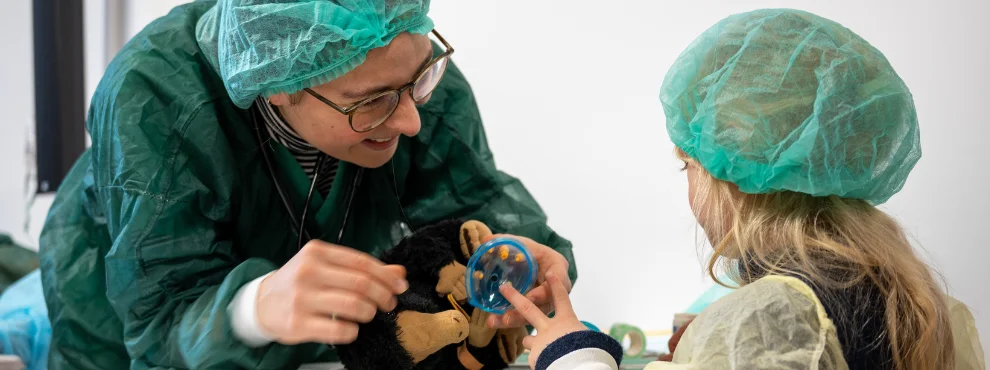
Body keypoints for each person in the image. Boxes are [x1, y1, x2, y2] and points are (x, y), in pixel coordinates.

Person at [38, 1, 576, 369]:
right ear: (276, 85)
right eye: (372, 103)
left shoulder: (399, 70)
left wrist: (518, 257)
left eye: (419, 80)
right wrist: (249, 309)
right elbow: (158, 319)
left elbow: (476, 201)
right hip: (115, 319)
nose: (411, 121)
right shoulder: (154, 98)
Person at [499, 8, 986, 370]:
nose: (688, 184)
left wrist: (569, 356)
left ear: (735, 178)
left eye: (686, 165)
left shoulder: (772, 319)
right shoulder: (923, 303)